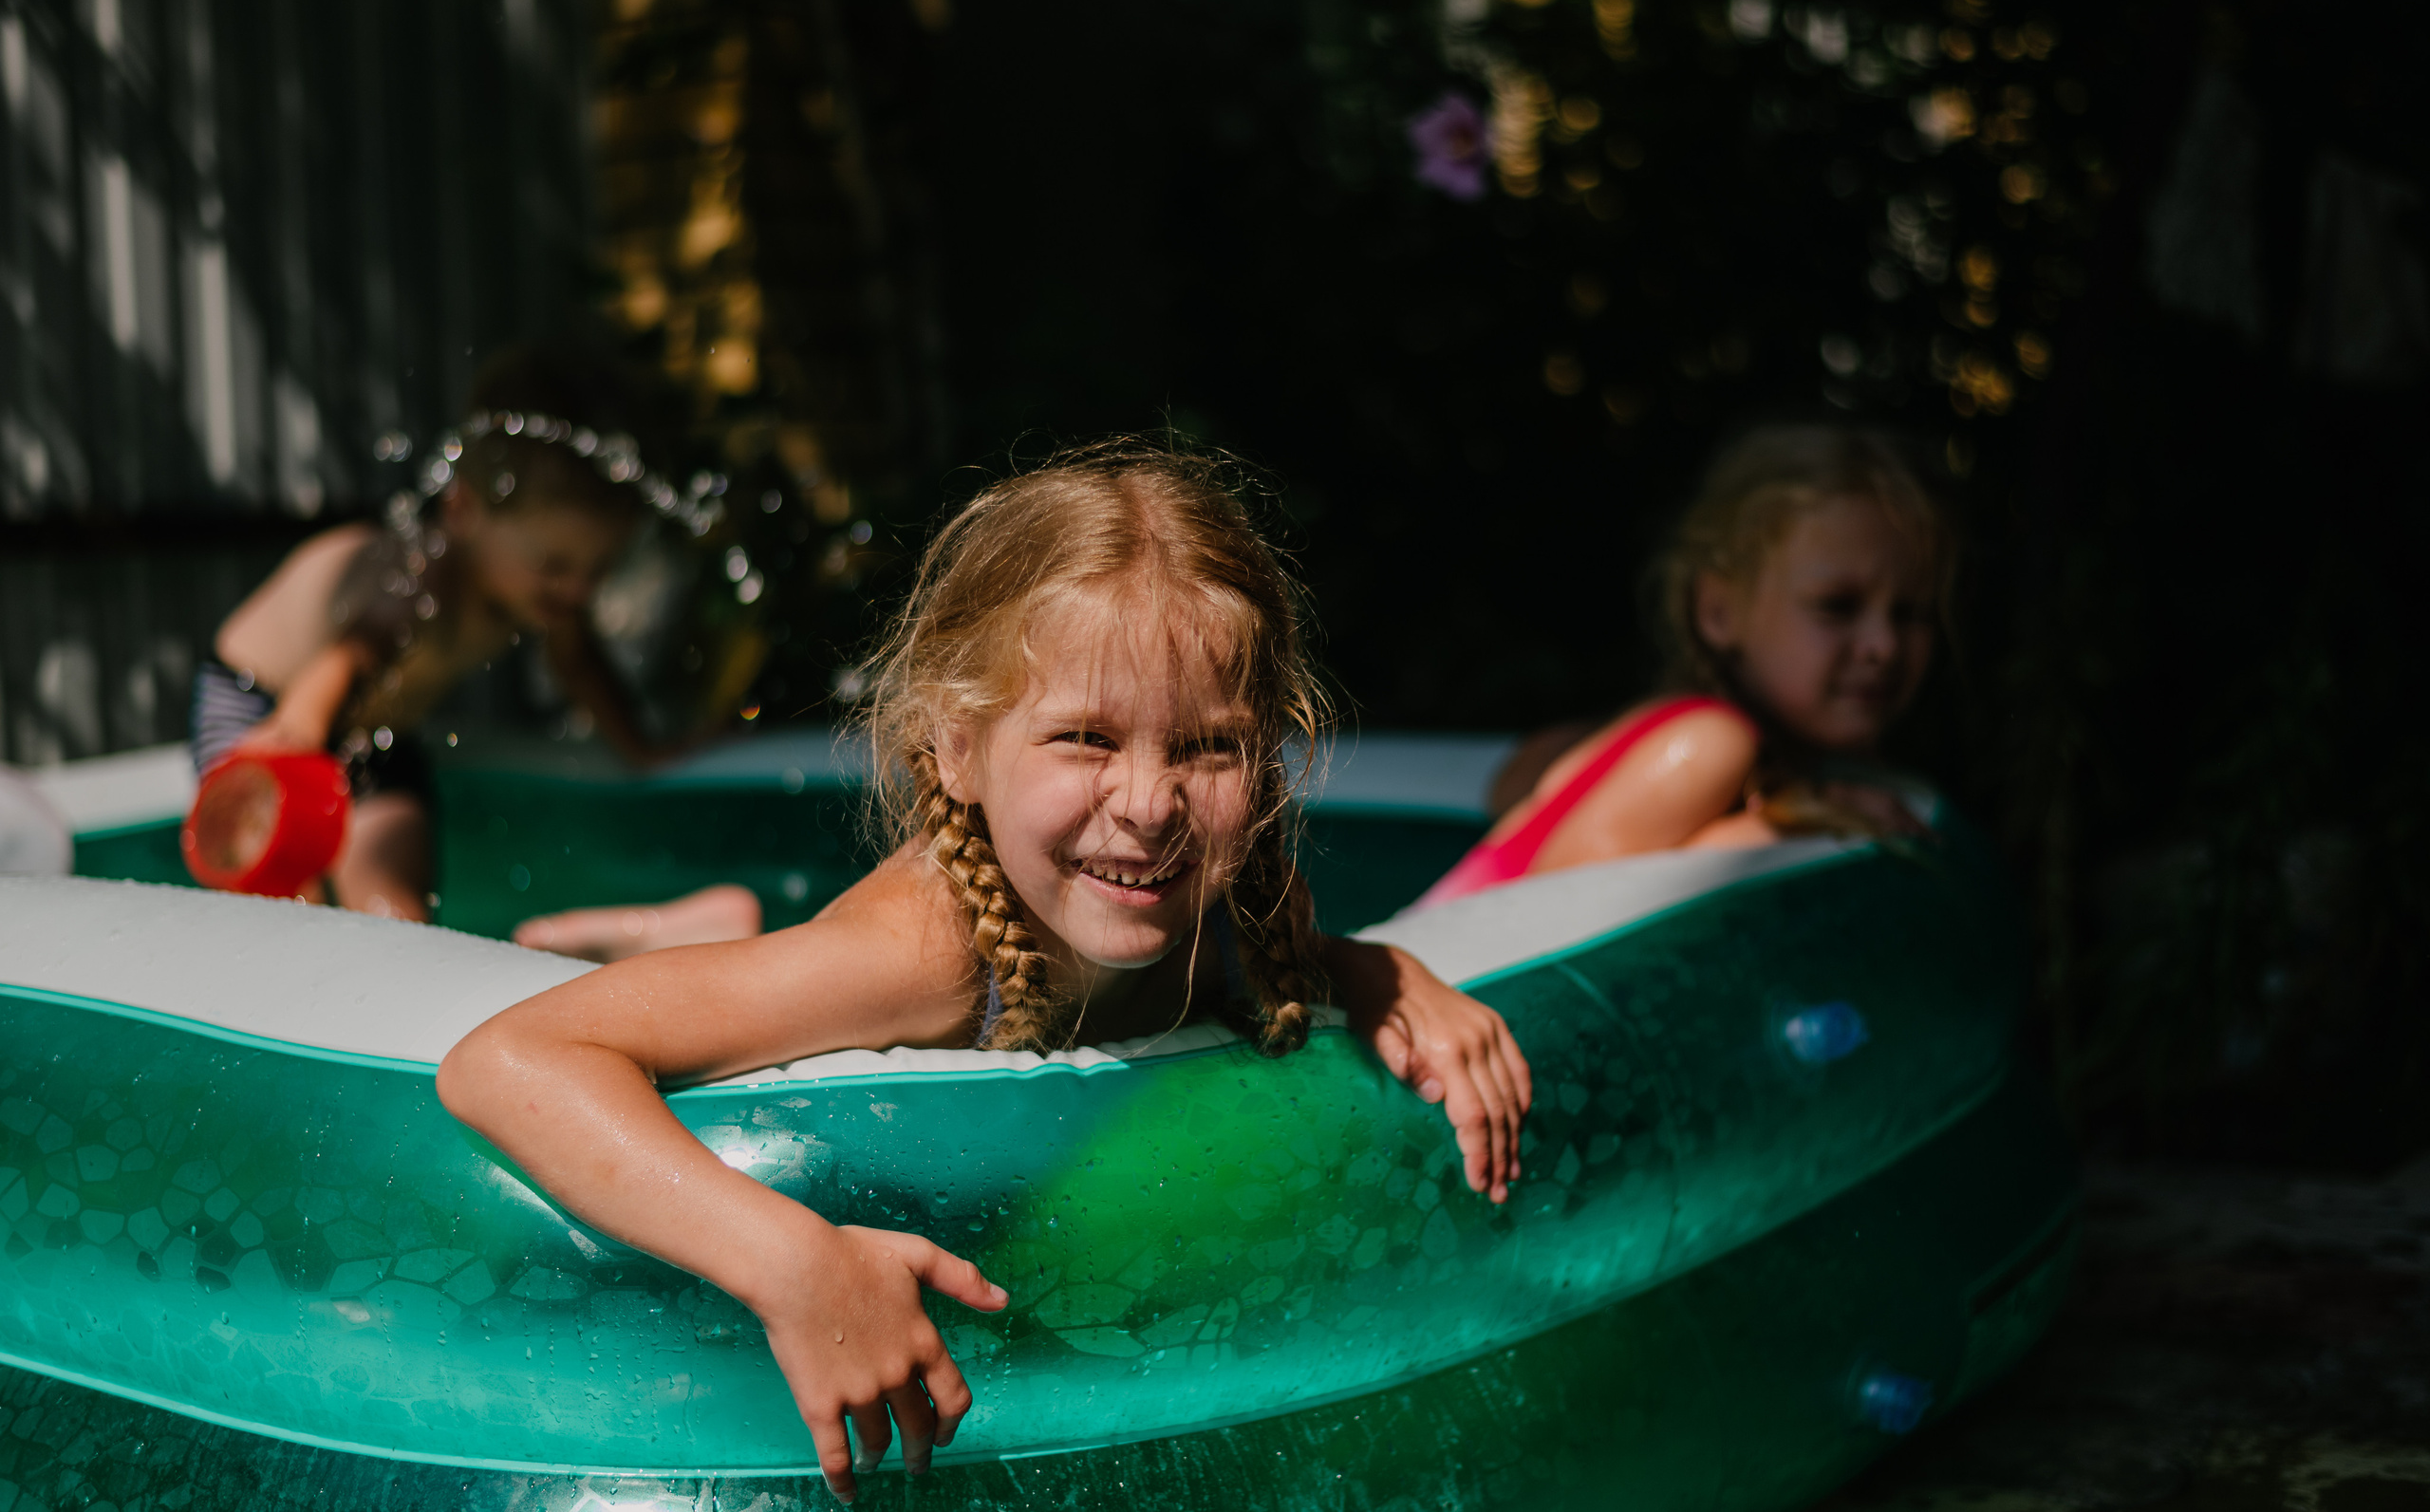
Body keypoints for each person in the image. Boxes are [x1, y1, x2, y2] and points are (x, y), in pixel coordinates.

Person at [437, 443, 1532, 1503]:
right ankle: (678, 934)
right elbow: (511, 1056)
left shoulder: (1222, 896)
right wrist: (792, 1259)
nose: (1150, 803)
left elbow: (1285, 964)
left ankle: (708, 931)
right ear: (957, 745)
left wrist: (1376, 971)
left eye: (1207, 747)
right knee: (760, 982)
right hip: (830, 974)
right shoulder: (924, 957)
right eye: (1086, 737)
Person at [1420, 424, 1953, 907]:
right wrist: (1792, 824)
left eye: (1913, 613)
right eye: (1837, 605)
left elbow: (1516, 781)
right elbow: (1552, 913)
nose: (1884, 645)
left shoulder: (1707, 743)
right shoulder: (1707, 742)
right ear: (1718, 611)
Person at [199, 403, 665, 920]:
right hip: (265, 703)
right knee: (282, 898)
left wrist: (642, 750)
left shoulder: (546, 595)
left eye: (598, 569)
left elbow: (579, 666)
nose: (578, 589)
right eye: (554, 565)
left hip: (372, 728)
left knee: (396, 908)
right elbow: (353, 654)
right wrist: (294, 732)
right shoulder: (421, 578)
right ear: (463, 510)